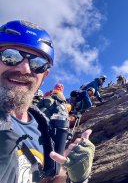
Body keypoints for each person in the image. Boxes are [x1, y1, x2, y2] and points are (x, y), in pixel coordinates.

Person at [0, 20, 95, 183]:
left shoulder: (41, 127)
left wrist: (77, 178)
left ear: (44, 77)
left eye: (38, 63)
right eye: (11, 55)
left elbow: (48, 179)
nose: (25, 68)